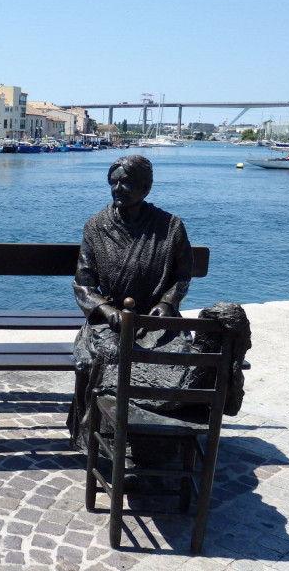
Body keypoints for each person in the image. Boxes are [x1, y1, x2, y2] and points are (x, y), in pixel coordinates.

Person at [66, 154, 193, 447]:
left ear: (146, 188)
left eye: (127, 183)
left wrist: (168, 303)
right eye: (114, 183)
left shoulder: (170, 227)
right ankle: (96, 431)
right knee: (94, 361)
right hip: (109, 319)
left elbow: (183, 275)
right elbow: (83, 282)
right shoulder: (96, 227)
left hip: (155, 319)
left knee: (173, 362)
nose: (118, 189)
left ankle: (158, 433)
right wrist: (106, 310)